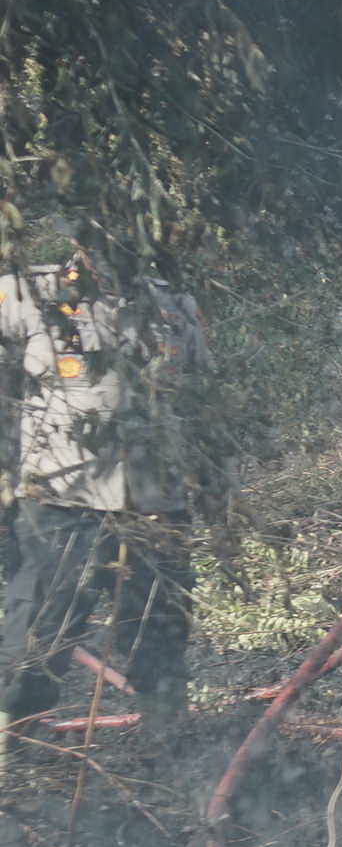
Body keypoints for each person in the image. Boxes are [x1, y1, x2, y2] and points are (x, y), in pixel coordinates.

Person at [0, 251, 208, 731]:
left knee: (161, 635)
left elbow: (200, 399)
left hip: (156, 504)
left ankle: (167, 754)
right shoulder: (27, 293)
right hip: (61, 499)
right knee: (38, 634)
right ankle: (20, 758)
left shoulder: (174, 304)